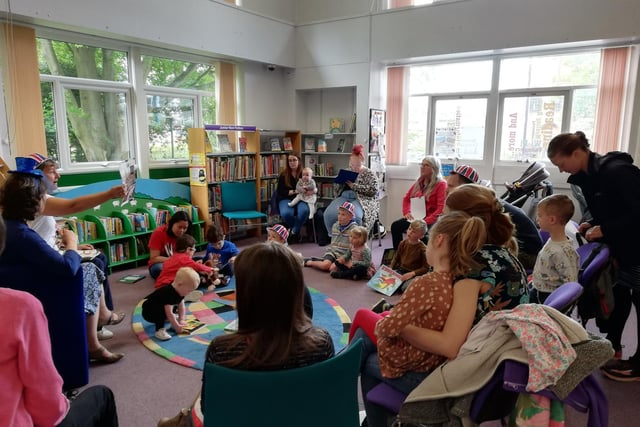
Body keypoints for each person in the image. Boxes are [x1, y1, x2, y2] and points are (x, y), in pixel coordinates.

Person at [355, 183, 528, 427]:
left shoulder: (472, 268)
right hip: (497, 373)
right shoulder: (505, 254)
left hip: (469, 380)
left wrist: (398, 324)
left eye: (446, 216)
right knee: (370, 337)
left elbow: (449, 346)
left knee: (366, 353)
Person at [157, 242, 335, 427]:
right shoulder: (322, 342)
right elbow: (325, 399)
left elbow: (210, 408)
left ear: (247, 295)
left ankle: (183, 418)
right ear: (297, 290)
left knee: (206, 389)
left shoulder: (223, 350)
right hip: (301, 419)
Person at [0, 160, 125, 364]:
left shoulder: (9, 225)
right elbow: (66, 269)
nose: (44, 201)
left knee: (94, 262)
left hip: (26, 279)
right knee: (89, 271)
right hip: (40, 288)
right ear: (33, 200)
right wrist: (72, 245)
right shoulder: (22, 234)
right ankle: (93, 342)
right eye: (42, 196)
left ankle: (101, 320)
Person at [546, 131, 640, 380]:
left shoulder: (617, 172)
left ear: (577, 153)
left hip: (636, 245)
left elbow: (636, 212)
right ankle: (614, 346)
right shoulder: (587, 177)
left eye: (562, 164)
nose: (563, 171)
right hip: (623, 246)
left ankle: (639, 364)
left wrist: (606, 228)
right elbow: (607, 209)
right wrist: (592, 222)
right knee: (620, 294)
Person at [353, 212, 485, 385]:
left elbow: (388, 328)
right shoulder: (459, 282)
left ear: (438, 240)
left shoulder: (426, 284)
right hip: (431, 360)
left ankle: (338, 376)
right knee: (367, 336)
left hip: (413, 360)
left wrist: (383, 322)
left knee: (365, 335)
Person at [27, 152, 125, 339]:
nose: (58, 175)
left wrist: (70, 247)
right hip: (47, 264)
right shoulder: (37, 200)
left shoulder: (42, 197)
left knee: (99, 257)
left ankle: (100, 319)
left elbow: (43, 236)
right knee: (95, 263)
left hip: (52, 253)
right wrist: (110, 194)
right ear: (36, 175)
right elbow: (73, 206)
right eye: (52, 171)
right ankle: (101, 320)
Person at [446, 164, 543, 271]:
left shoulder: (481, 208)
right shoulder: (479, 201)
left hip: (529, 254)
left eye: (451, 186)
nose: (446, 190)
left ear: (465, 189)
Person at [529, 194, 579, 304]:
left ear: (552, 220)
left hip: (545, 296)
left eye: (540, 215)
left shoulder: (564, 252)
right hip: (538, 287)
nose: (537, 219)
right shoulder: (552, 241)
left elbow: (570, 284)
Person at [390, 156, 447, 249]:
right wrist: (407, 212)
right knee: (396, 226)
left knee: (422, 236)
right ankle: (399, 254)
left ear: (434, 168)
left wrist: (425, 221)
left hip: (430, 220)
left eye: (426, 165)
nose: (422, 167)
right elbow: (406, 199)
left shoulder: (441, 184)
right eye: (421, 164)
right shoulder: (419, 182)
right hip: (416, 217)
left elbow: (441, 208)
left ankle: (426, 260)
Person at [323, 144, 379, 234]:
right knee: (329, 214)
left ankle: (358, 240)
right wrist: (340, 182)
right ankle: (335, 239)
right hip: (345, 196)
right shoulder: (347, 170)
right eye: (352, 165)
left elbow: (373, 190)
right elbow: (337, 189)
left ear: (363, 162)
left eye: (358, 165)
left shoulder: (370, 173)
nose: (354, 168)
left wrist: (354, 186)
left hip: (362, 199)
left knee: (355, 216)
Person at [265, 223, 314, 318]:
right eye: (269, 236)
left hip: (301, 313)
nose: (269, 239)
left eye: (273, 237)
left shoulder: (285, 255)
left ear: (282, 240)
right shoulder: (272, 252)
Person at [142, 266, 201, 341]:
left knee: (176, 304)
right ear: (180, 284)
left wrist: (181, 319)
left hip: (164, 306)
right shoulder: (168, 293)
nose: (189, 293)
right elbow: (169, 314)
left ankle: (168, 320)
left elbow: (181, 306)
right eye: (189, 291)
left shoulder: (178, 289)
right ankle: (159, 330)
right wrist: (177, 327)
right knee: (163, 312)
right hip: (149, 312)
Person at [155, 234, 215, 303]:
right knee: (189, 281)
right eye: (194, 250)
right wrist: (210, 269)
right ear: (188, 249)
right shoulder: (184, 259)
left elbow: (189, 266)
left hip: (160, 287)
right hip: (170, 287)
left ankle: (181, 296)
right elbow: (196, 266)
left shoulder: (174, 257)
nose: (194, 252)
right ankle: (182, 296)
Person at [305, 201, 358, 272]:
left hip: (345, 255)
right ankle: (310, 262)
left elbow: (355, 247)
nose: (340, 216)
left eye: (343, 215)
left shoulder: (354, 229)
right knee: (325, 265)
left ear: (350, 217)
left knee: (332, 269)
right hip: (332, 252)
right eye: (339, 214)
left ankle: (329, 262)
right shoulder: (335, 226)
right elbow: (333, 243)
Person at [276, 152, 314, 243]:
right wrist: (294, 191)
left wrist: (309, 191)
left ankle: (294, 232)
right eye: (290, 160)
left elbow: (312, 186)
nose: (292, 162)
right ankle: (296, 233)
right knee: (286, 214)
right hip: (286, 199)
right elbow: (280, 191)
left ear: (299, 161)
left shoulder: (305, 173)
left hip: (302, 198)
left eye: (294, 160)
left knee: (304, 211)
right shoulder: (283, 175)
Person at [148, 210, 193, 279]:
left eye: (185, 228)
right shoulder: (158, 233)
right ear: (172, 224)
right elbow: (154, 258)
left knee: (201, 259)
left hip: (179, 263)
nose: (182, 230)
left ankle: (182, 276)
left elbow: (188, 255)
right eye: (179, 227)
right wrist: (174, 259)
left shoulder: (186, 235)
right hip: (162, 263)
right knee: (158, 269)